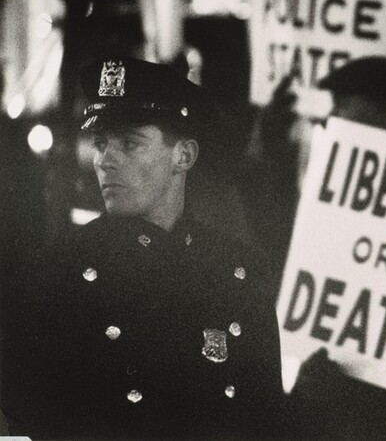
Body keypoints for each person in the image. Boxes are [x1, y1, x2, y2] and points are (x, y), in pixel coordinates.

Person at [2, 57, 288, 440]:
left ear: (183, 156)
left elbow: (265, 420)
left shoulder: (236, 271)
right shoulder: (59, 272)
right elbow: (25, 422)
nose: (105, 160)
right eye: (101, 144)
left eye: (131, 144)